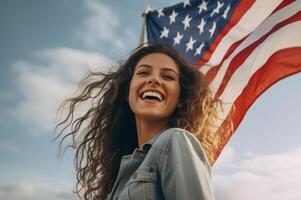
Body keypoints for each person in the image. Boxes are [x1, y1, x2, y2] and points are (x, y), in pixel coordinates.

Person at [55, 43, 233, 200]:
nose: (154, 79)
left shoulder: (175, 140)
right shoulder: (124, 170)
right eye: (143, 73)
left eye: (168, 77)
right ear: (126, 92)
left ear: (181, 98)